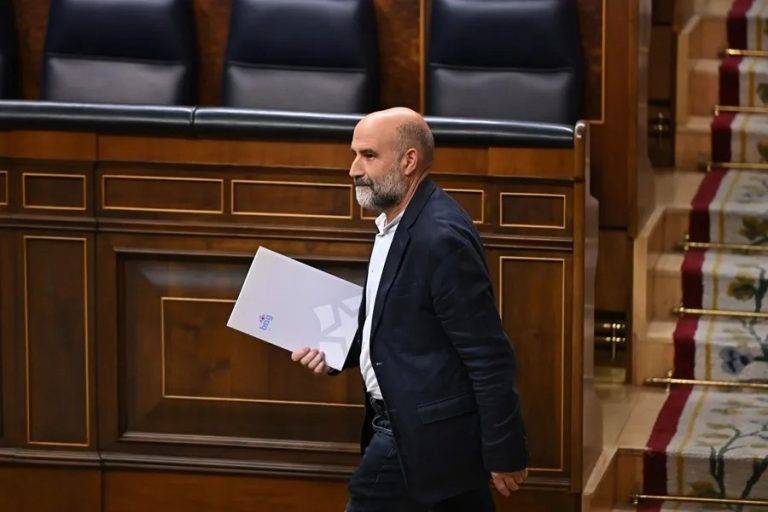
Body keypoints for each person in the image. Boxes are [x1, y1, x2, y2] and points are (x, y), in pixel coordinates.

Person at [290, 107, 528, 511]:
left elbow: (488, 355)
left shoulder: (439, 237)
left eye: (368, 155)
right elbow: (391, 322)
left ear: (408, 161)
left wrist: (505, 450)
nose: (353, 169)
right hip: (419, 432)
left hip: (417, 433)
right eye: (354, 154)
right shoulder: (393, 224)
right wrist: (334, 351)